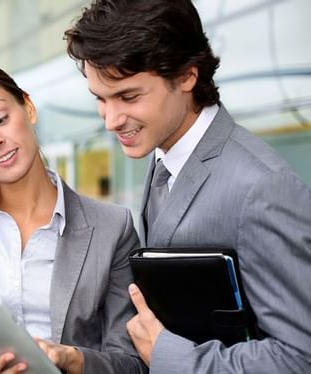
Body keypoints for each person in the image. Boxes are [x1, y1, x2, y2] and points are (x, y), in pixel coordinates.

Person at [65, 0, 311, 373]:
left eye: (129, 96)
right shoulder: (161, 153)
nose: (111, 120)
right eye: (100, 99)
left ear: (186, 77)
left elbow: (300, 355)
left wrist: (167, 354)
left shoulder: (263, 189)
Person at [0, 62, 146, 374]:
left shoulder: (112, 228)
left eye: (0, 119)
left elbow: (131, 364)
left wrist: (69, 358)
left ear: (28, 107)